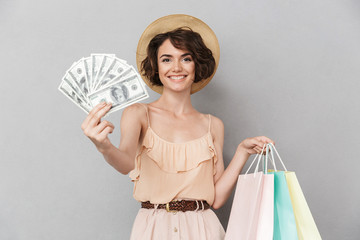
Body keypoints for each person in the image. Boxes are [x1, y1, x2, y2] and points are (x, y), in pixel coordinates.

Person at [81, 14, 274, 240]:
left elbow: (217, 199)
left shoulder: (213, 125)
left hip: (204, 229)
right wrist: (103, 146)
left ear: (196, 64)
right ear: (155, 66)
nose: (176, 67)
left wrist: (242, 152)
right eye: (166, 59)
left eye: (185, 58)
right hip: (153, 228)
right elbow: (125, 163)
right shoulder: (138, 114)